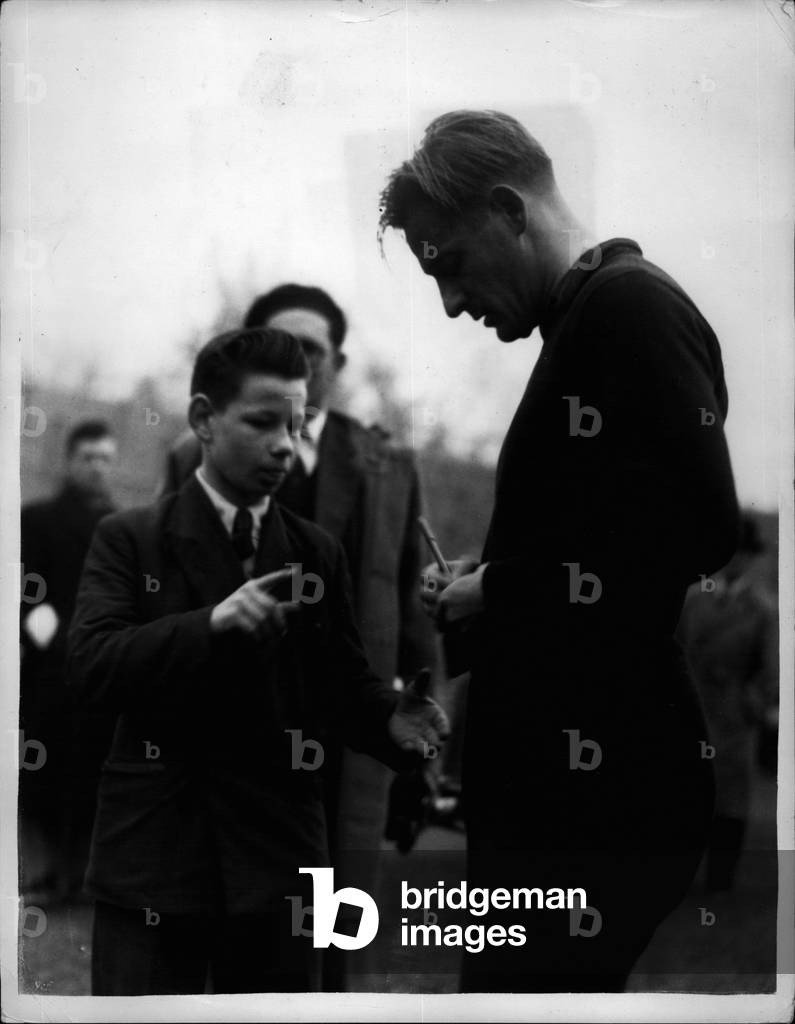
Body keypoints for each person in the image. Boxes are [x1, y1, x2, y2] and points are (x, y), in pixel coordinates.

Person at [378, 110, 740, 992]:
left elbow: (699, 528)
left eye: (450, 264)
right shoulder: (589, 320)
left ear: (509, 210)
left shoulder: (627, 307)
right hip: (568, 788)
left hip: (598, 793)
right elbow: (611, 529)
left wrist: (501, 586)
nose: (453, 302)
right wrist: (486, 573)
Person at [67, 327, 448, 995]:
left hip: (279, 864)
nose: (283, 443)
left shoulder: (315, 550)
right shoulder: (128, 539)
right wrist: (208, 625)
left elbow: (340, 686)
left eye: (296, 424)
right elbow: (94, 665)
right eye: (263, 421)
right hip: (156, 855)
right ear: (204, 421)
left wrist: (390, 719)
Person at [160, 284, 436, 988]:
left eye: (311, 352)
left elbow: (409, 610)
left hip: (347, 735)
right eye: (279, 350)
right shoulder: (193, 450)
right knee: (235, 924)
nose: (299, 367)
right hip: (234, 729)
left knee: (337, 921)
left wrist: (420, 734)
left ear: (336, 363)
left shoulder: (385, 463)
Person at [20, 419, 118, 902]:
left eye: (105, 458)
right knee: (45, 775)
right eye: (88, 458)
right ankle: (50, 875)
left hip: (102, 671)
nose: (97, 467)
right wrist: (39, 628)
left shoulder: (120, 526)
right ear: (69, 461)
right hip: (50, 671)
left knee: (90, 778)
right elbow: (23, 589)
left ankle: (80, 876)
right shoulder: (38, 520)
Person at [678, 513, 778, 891]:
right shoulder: (692, 598)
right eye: (730, 552)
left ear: (752, 558)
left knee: (731, 796)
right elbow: (674, 649)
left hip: (732, 716)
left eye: (743, 553)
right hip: (691, 707)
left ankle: (720, 880)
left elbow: (770, 674)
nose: (735, 560)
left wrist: (747, 705)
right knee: (684, 792)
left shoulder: (762, 610)